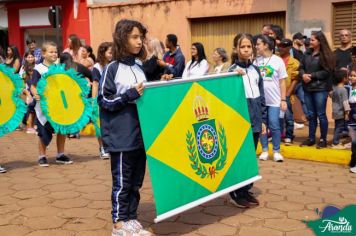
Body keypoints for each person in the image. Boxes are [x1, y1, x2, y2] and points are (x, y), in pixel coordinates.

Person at [97, 19, 152, 236]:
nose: (139, 42)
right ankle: (119, 223)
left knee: (136, 180)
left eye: (141, 37)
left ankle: (131, 218)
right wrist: (128, 95)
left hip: (141, 135)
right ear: (123, 38)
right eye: (134, 37)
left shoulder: (139, 68)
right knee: (122, 181)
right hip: (121, 136)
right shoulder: (112, 68)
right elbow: (104, 101)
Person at [228, 33, 267, 208]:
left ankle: (245, 189)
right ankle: (235, 193)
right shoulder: (232, 71)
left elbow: (261, 97)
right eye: (242, 46)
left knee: (250, 158)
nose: (246, 50)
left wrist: (263, 120)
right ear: (236, 49)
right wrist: (234, 77)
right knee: (240, 158)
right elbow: (228, 100)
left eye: (249, 46)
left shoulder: (255, 70)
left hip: (256, 120)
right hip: (240, 122)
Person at [30, 41, 73, 167]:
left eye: (56, 52)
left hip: (59, 105)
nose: (54, 54)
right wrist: (35, 94)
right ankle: (42, 156)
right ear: (43, 54)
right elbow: (33, 86)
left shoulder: (60, 68)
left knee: (62, 129)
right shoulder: (38, 69)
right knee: (43, 132)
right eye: (51, 52)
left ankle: (60, 154)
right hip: (43, 108)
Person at [254, 34, 287, 162]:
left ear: (266, 45)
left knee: (274, 125)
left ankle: (277, 151)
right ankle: (264, 150)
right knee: (262, 126)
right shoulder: (256, 61)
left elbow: (282, 82)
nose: (256, 46)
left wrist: (283, 100)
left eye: (258, 44)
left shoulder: (277, 61)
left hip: (274, 100)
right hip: (260, 101)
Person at [299, 31, 335, 149]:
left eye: (313, 39)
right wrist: (303, 75)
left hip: (320, 89)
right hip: (307, 88)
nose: (310, 41)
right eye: (310, 39)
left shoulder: (325, 55)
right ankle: (311, 138)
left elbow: (327, 72)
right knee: (311, 114)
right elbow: (301, 68)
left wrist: (311, 76)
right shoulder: (307, 54)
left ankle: (323, 139)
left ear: (320, 41)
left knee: (321, 114)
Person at [92, 41, 113, 159]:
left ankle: (110, 147)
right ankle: (102, 148)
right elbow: (95, 84)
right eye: (109, 52)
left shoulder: (113, 65)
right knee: (100, 125)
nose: (111, 55)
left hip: (111, 98)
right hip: (100, 99)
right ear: (103, 53)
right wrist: (94, 101)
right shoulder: (97, 67)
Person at [278, 38, 300, 145]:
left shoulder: (295, 63)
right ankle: (277, 135)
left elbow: (295, 79)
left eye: (284, 46)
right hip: (274, 93)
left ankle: (289, 136)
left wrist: (288, 93)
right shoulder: (275, 59)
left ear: (290, 48)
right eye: (280, 45)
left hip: (286, 93)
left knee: (288, 116)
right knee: (276, 117)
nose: (281, 48)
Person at [331, 70, 350, 149]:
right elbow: (345, 102)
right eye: (347, 77)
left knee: (337, 127)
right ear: (344, 79)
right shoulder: (343, 90)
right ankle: (335, 143)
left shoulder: (335, 89)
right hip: (341, 112)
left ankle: (335, 141)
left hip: (335, 111)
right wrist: (346, 113)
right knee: (339, 128)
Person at [21, 51, 37, 134]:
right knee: (30, 110)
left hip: (34, 94)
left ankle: (32, 126)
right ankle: (29, 126)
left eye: (32, 56)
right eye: (28, 57)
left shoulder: (37, 66)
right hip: (29, 94)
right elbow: (23, 85)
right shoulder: (24, 71)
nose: (30, 58)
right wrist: (28, 94)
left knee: (32, 110)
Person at [348, 66, 356, 173]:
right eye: (351, 75)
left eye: (354, 76)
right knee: (354, 141)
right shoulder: (349, 88)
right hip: (351, 119)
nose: (352, 77)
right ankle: (353, 162)